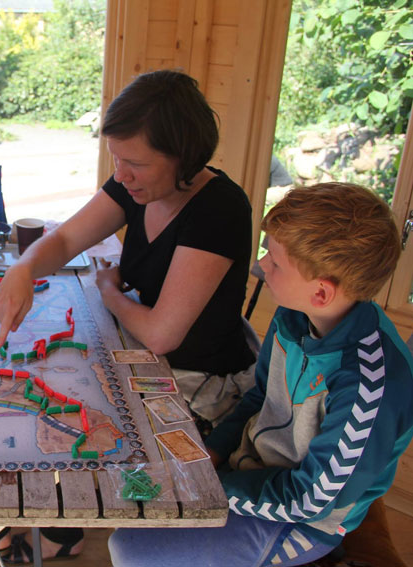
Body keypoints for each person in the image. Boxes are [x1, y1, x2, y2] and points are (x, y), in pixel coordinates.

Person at [0, 69, 257, 563]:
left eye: (135, 163)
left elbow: (162, 334)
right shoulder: (136, 185)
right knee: (35, 378)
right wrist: (23, 268)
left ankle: (34, 527)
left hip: (196, 385)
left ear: (184, 156)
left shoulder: (219, 208)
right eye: (116, 159)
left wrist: (107, 290)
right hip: (140, 354)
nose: (122, 175)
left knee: (50, 404)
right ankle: (40, 525)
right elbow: (66, 238)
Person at [110, 182, 413, 566]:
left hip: (300, 522)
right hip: (252, 469)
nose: (260, 265)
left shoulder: (369, 386)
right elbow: (259, 397)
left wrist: (213, 486)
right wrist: (212, 453)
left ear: (321, 293)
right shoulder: (295, 315)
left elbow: (310, 501)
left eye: (275, 261)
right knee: (136, 501)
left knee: (131, 549)